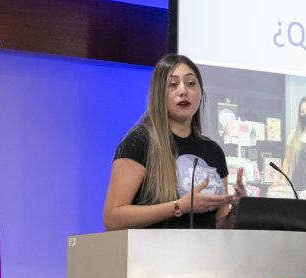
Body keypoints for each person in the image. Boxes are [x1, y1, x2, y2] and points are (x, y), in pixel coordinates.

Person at [103, 54, 245, 230]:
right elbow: (112, 218)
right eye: (173, 84)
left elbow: (219, 225)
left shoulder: (213, 151)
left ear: (201, 92)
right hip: (154, 255)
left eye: (191, 83)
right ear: (159, 93)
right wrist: (179, 207)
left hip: (205, 255)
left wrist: (238, 209)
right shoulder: (139, 141)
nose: (183, 91)